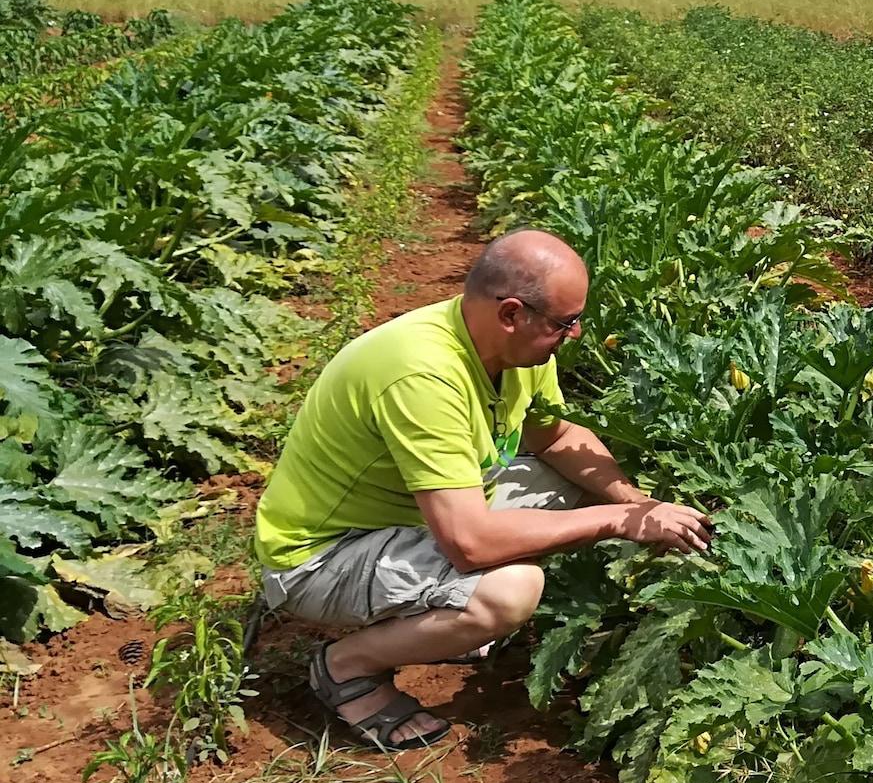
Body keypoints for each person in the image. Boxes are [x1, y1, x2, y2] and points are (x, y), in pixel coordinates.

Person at [253, 230, 712, 752]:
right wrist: (618, 522)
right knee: (507, 592)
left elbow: (556, 436)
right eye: (564, 323)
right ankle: (345, 668)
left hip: (412, 517)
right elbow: (470, 544)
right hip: (321, 558)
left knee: (581, 486)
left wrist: (635, 502)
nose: (577, 333)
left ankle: (439, 618)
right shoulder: (421, 373)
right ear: (512, 313)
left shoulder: (512, 351)